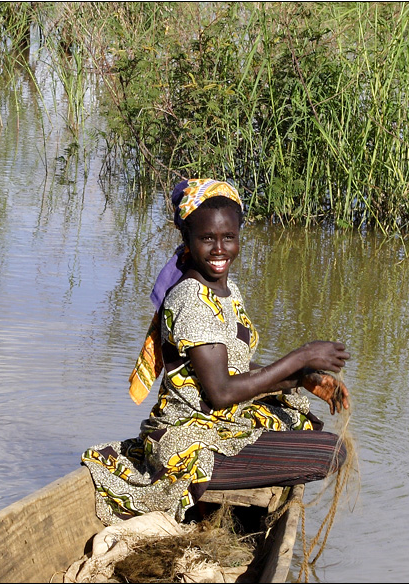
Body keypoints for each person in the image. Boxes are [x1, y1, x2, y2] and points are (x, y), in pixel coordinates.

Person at [82, 178, 350, 526]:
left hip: (218, 425)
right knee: (331, 452)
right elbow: (222, 393)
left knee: (299, 419)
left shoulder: (226, 290)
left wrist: (300, 379)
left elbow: (236, 364)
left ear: (239, 237)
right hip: (188, 438)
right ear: (188, 241)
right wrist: (302, 355)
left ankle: (214, 506)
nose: (219, 249)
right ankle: (208, 503)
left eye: (229, 238)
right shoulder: (192, 299)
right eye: (207, 238)